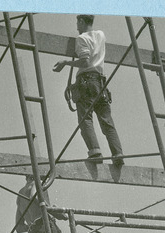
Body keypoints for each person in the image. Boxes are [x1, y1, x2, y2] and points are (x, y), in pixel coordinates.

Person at [53, 15, 124, 166]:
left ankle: (95, 152)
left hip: (86, 81)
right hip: (100, 82)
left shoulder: (82, 38)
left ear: (82, 21)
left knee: (86, 119)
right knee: (106, 120)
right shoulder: (101, 35)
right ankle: (118, 153)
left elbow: (85, 61)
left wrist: (65, 62)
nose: (76, 26)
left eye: (77, 23)